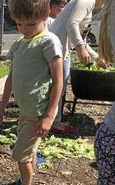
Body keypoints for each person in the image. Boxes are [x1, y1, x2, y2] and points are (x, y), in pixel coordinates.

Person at [0, 0, 63, 185]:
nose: (24, 29)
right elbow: (11, 77)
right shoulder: (19, 44)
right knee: (29, 152)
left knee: (20, 154)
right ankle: (25, 182)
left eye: (30, 25)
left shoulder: (49, 41)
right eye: (19, 24)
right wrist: (3, 105)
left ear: (45, 17)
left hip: (38, 112)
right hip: (25, 110)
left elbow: (58, 80)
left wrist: (50, 115)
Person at [67, 0, 115, 185]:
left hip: (109, 135)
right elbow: (73, 26)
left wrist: (89, 53)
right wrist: (82, 48)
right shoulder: (84, 0)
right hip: (112, 139)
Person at [49, 0, 105, 131]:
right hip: (56, 47)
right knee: (57, 85)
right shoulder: (86, 0)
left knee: (60, 86)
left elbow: (81, 36)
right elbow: (71, 24)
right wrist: (80, 49)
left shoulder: (88, 6)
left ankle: (54, 119)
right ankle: (52, 121)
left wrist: (96, 57)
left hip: (63, 48)